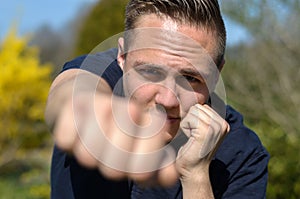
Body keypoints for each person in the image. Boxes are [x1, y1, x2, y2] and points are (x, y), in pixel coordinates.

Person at [45, 0, 269, 198]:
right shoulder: (101, 78)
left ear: (217, 72)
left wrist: (196, 175)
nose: (168, 99)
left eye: (190, 78)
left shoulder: (242, 153)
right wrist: (82, 109)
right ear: (122, 57)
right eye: (150, 73)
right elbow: (71, 88)